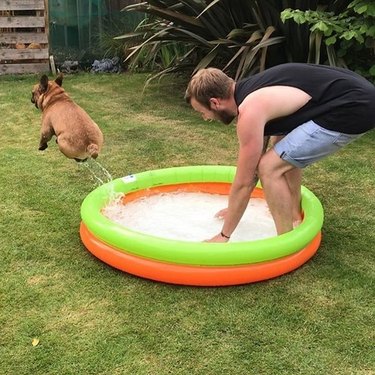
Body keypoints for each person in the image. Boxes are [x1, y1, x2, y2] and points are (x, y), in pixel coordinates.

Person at [184, 63, 375, 242]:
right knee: (281, 148)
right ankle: (293, 215)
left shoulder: (250, 111)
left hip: (354, 108)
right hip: (359, 97)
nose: (206, 118)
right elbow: (251, 173)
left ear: (215, 103)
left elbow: (244, 181)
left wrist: (224, 235)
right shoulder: (251, 91)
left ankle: (285, 242)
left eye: (202, 112)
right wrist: (234, 210)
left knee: (269, 168)